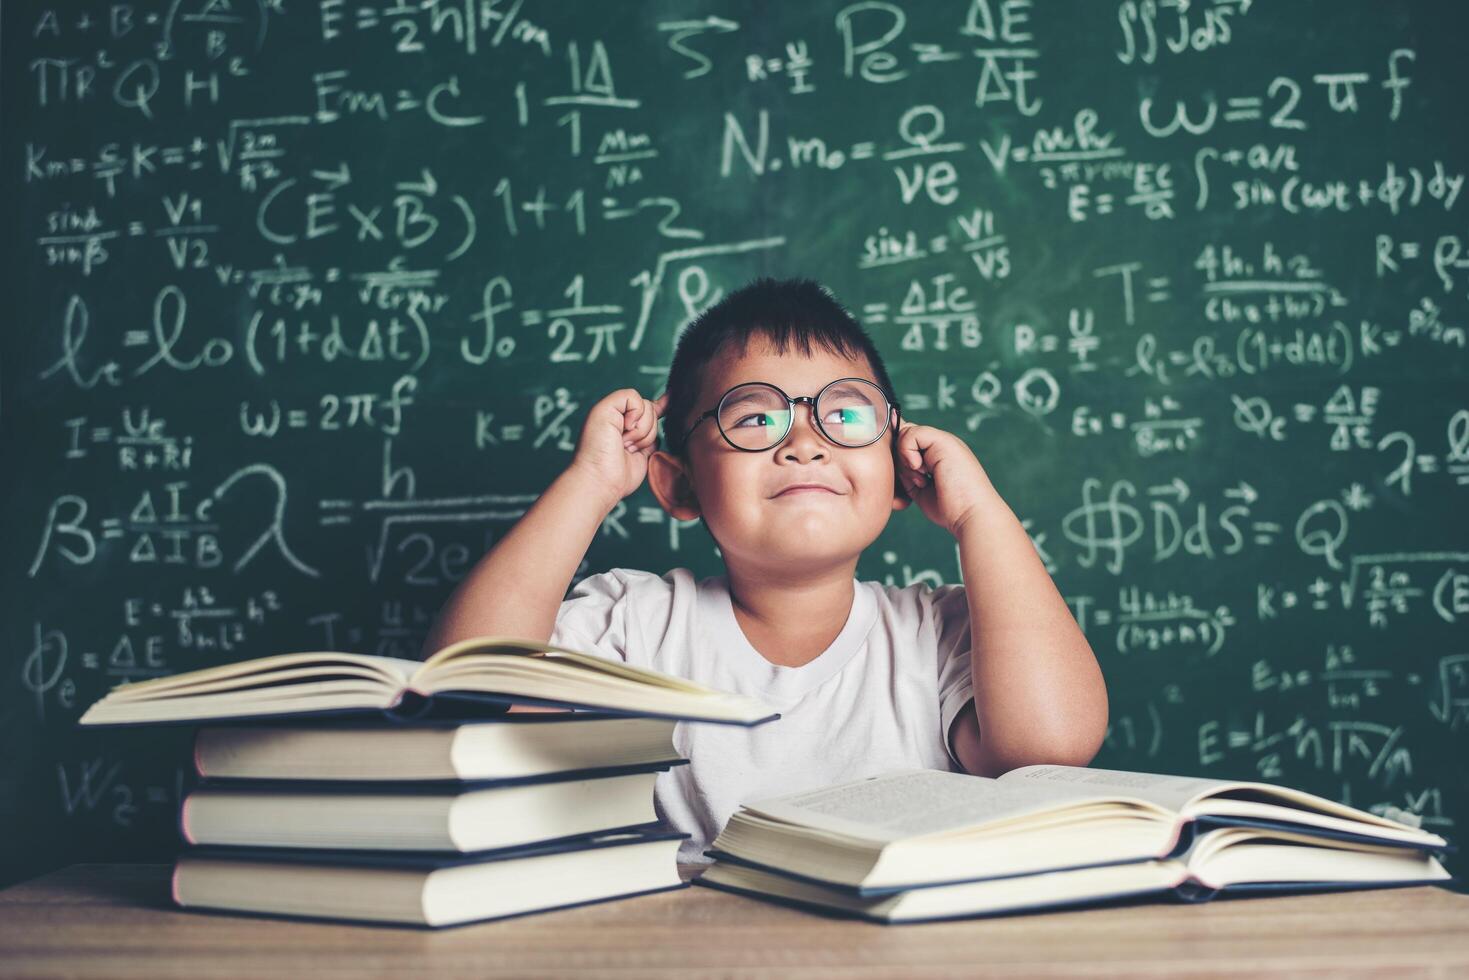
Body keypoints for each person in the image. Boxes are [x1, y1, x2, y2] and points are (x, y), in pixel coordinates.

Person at [421, 277, 1108, 863]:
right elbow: (469, 692)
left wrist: (979, 514)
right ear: (679, 486)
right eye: (753, 420)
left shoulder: (944, 631)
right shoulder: (635, 623)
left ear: (900, 469)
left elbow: (1047, 748)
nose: (805, 442)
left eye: (845, 413)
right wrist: (591, 482)